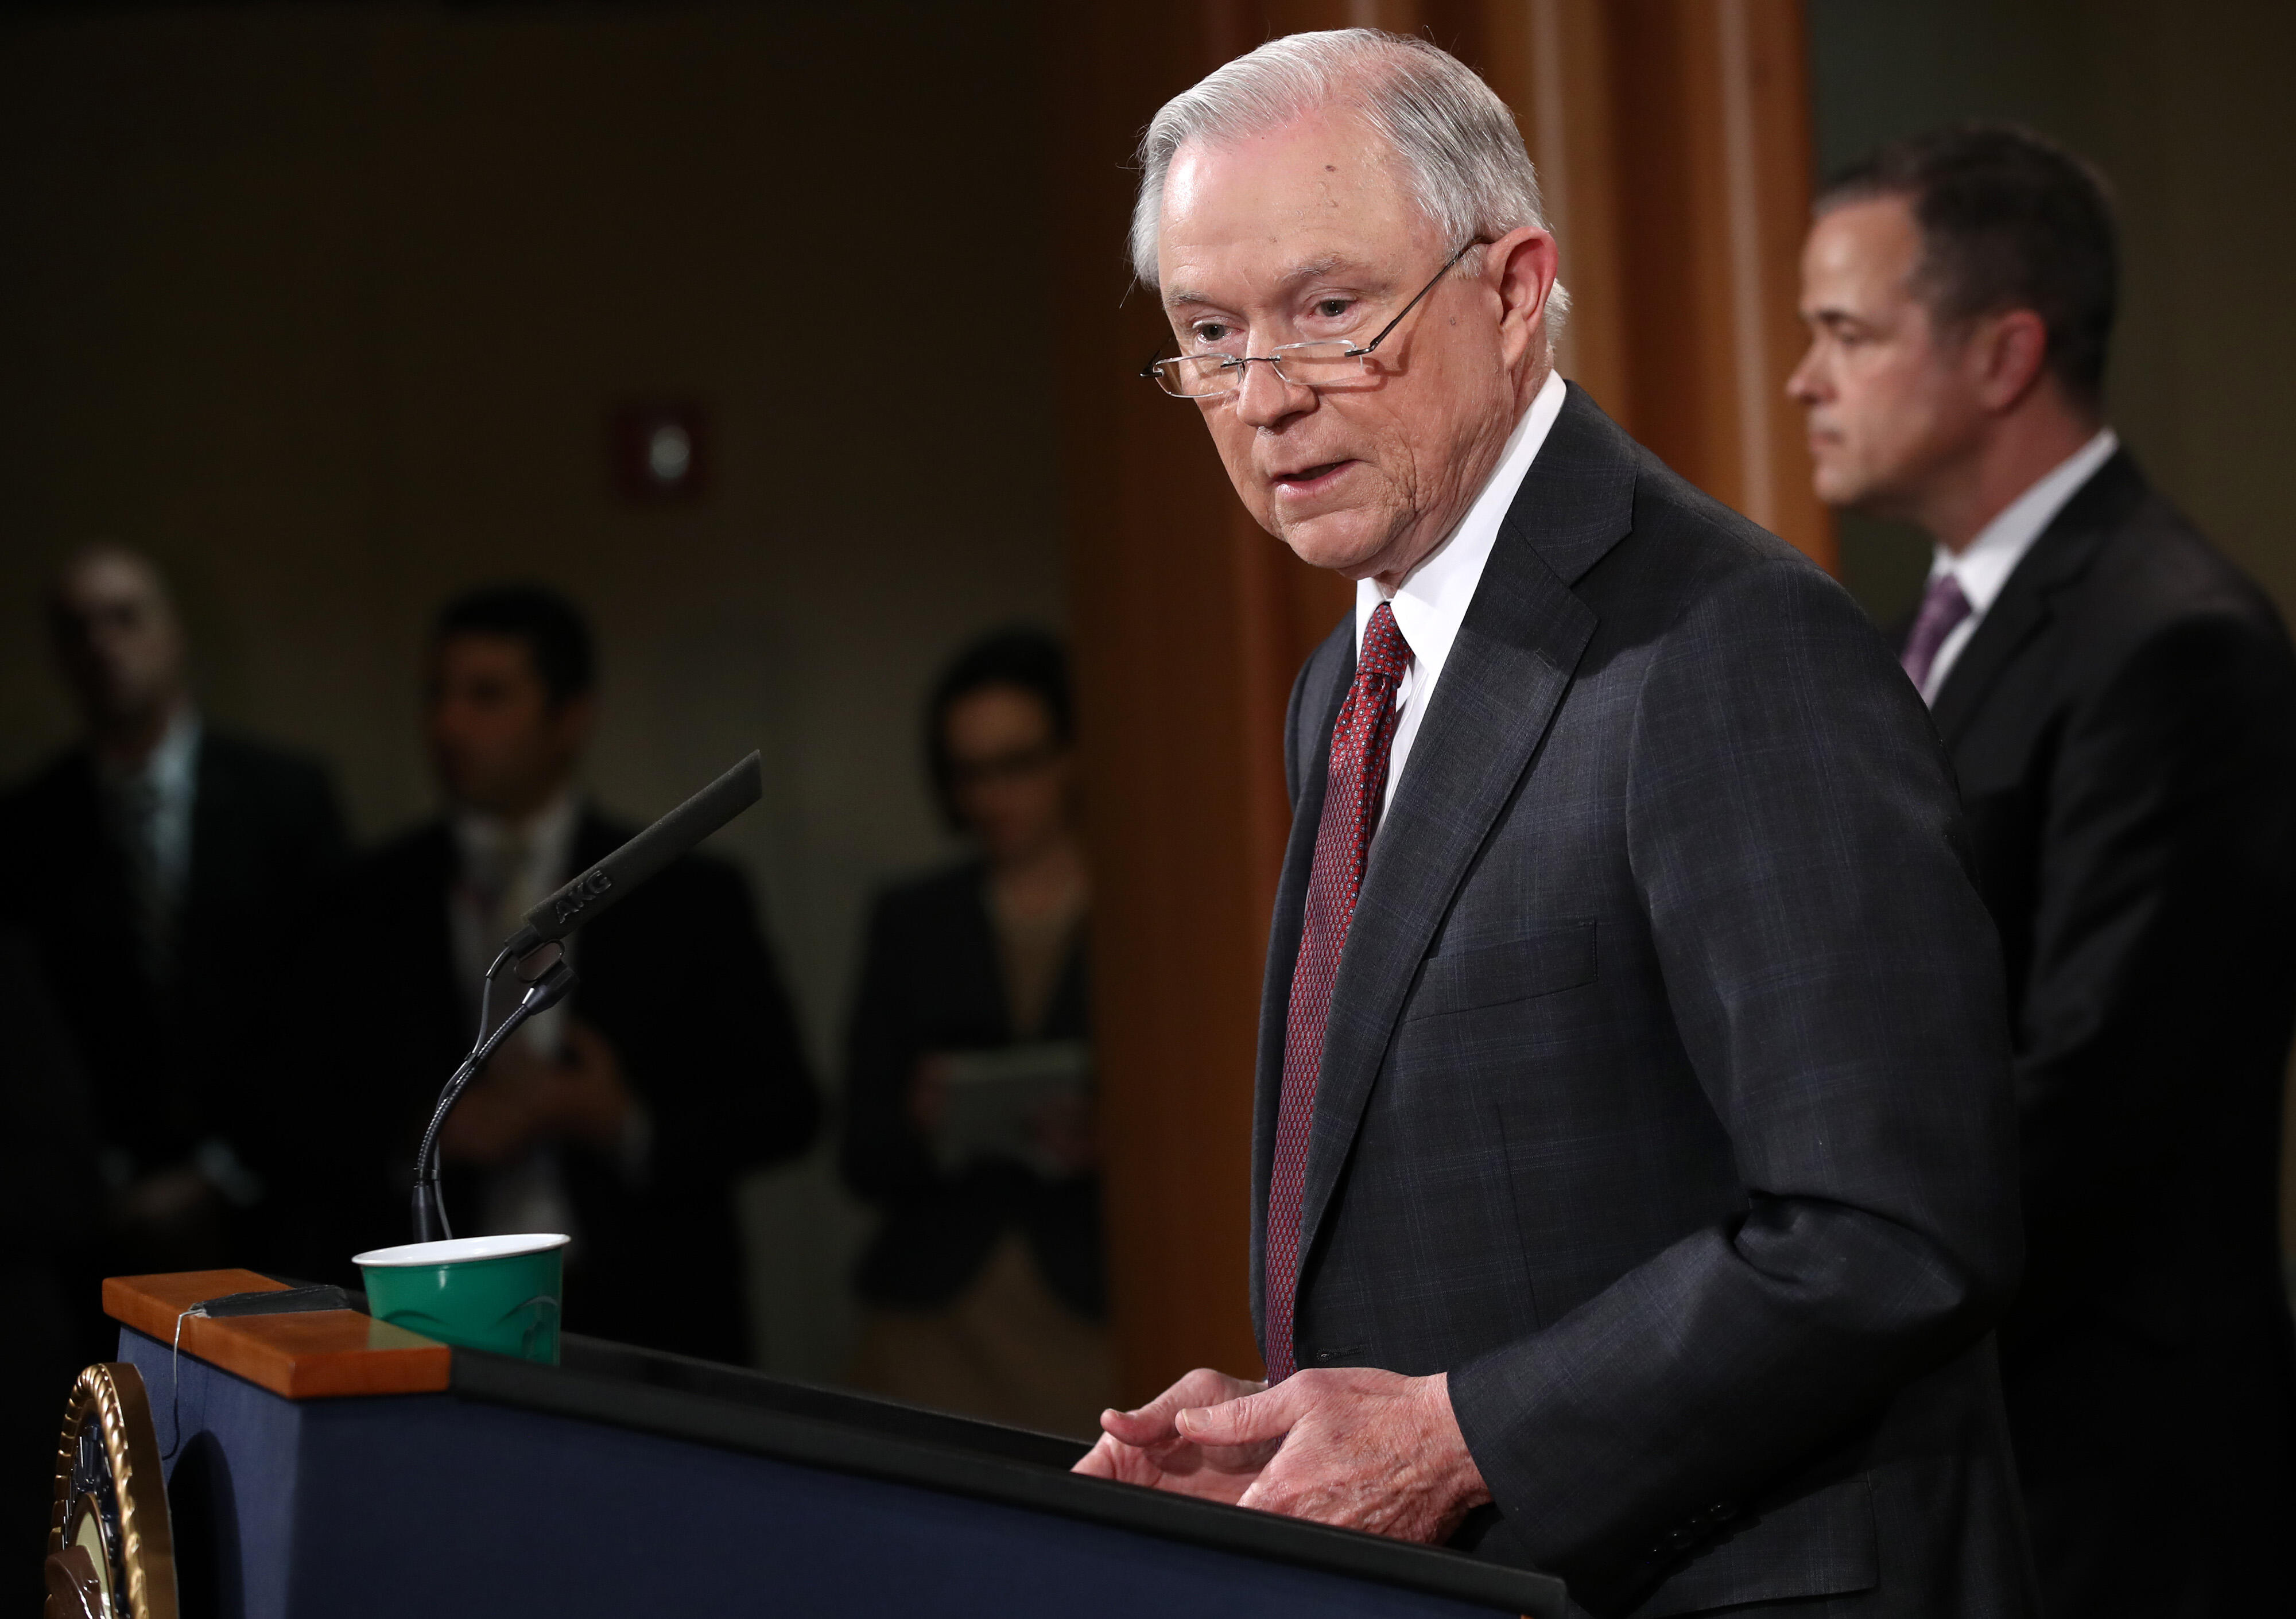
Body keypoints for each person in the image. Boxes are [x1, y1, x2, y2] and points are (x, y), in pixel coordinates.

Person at [1073, 30, 2032, 1617]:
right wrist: (1306, 1431)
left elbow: (1891, 1221)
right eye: (1209, 334)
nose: (1265, 399)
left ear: (1515, 290)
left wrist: (1460, 1434)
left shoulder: (1726, 642)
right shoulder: (1347, 679)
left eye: (1328, 311)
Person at [1787, 124, 2296, 1618]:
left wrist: (1801, 1286)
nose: (1804, 379)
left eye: (1846, 333)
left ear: (2005, 353)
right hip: (1976, 1444)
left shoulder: (2176, 639)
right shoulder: (1922, 626)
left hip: (2116, 1478)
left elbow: (2096, 1093)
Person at [342, 584, 818, 1364]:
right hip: (429, 1319)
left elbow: (788, 1106)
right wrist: (426, 1136)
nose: (449, 724)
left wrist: (622, 1121)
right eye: (438, 695)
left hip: (651, 1313)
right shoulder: (366, 899)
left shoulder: (687, 893)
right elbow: (301, 1112)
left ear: (570, 718)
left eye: (487, 695)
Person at [0, 546, 347, 1284]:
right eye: (77, 627)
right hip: (92, 1225)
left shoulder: (284, 799)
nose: (103, 644)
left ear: (174, 633)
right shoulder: (30, 827)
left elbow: (326, 1009)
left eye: (124, 618)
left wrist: (226, 1170)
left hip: (277, 1207)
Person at [840, 628, 1108, 1436]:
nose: (992, 796)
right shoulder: (914, 919)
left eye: (1017, 764)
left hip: (1094, 1303)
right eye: (969, 773)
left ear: (1069, 757)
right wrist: (924, 1118)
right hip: (935, 1314)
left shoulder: (1144, 912)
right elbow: (858, 1147)